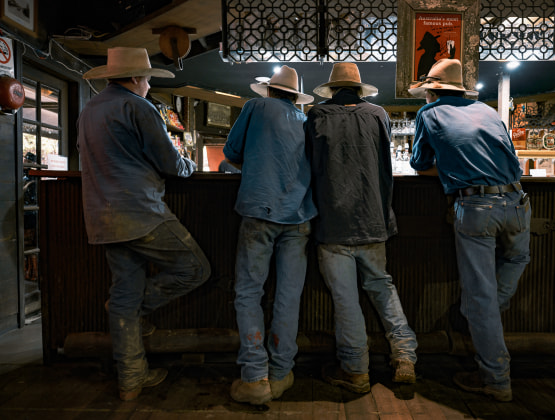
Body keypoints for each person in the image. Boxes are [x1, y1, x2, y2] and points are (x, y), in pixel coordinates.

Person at [77, 47, 212, 401]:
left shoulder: (89, 110)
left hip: (100, 215)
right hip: (139, 210)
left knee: (122, 294)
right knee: (195, 269)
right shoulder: (138, 107)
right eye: (148, 78)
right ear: (136, 77)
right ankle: (136, 308)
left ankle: (132, 380)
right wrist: (188, 165)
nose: (149, 84)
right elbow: (169, 161)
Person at [408, 58, 531, 402]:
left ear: (431, 91)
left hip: (476, 207)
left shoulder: (429, 115)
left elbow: (419, 164)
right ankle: (488, 310)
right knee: (518, 259)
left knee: (480, 299)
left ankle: (496, 380)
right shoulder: (489, 111)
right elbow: (514, 162)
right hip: (517, 199)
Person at [305, 62, 418, 394]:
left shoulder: (316, 116)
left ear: (332, 89)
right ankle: (405, 357)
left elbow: (309, 168)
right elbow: (386, 166)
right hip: (372, 218)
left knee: (346, 300)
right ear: (358, 88)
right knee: (384, 289)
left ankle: (355, 371)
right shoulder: (378, 114)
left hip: (332, 222)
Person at [223, 65, 317, 405]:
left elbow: (232, 152)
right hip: (299, 215)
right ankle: (281, 374)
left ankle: (254, 378)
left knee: (249, 293)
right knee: (289, 296)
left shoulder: (255, 107)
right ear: (296, 97)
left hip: (258, 210)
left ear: (270, 92)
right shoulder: (308, 121)